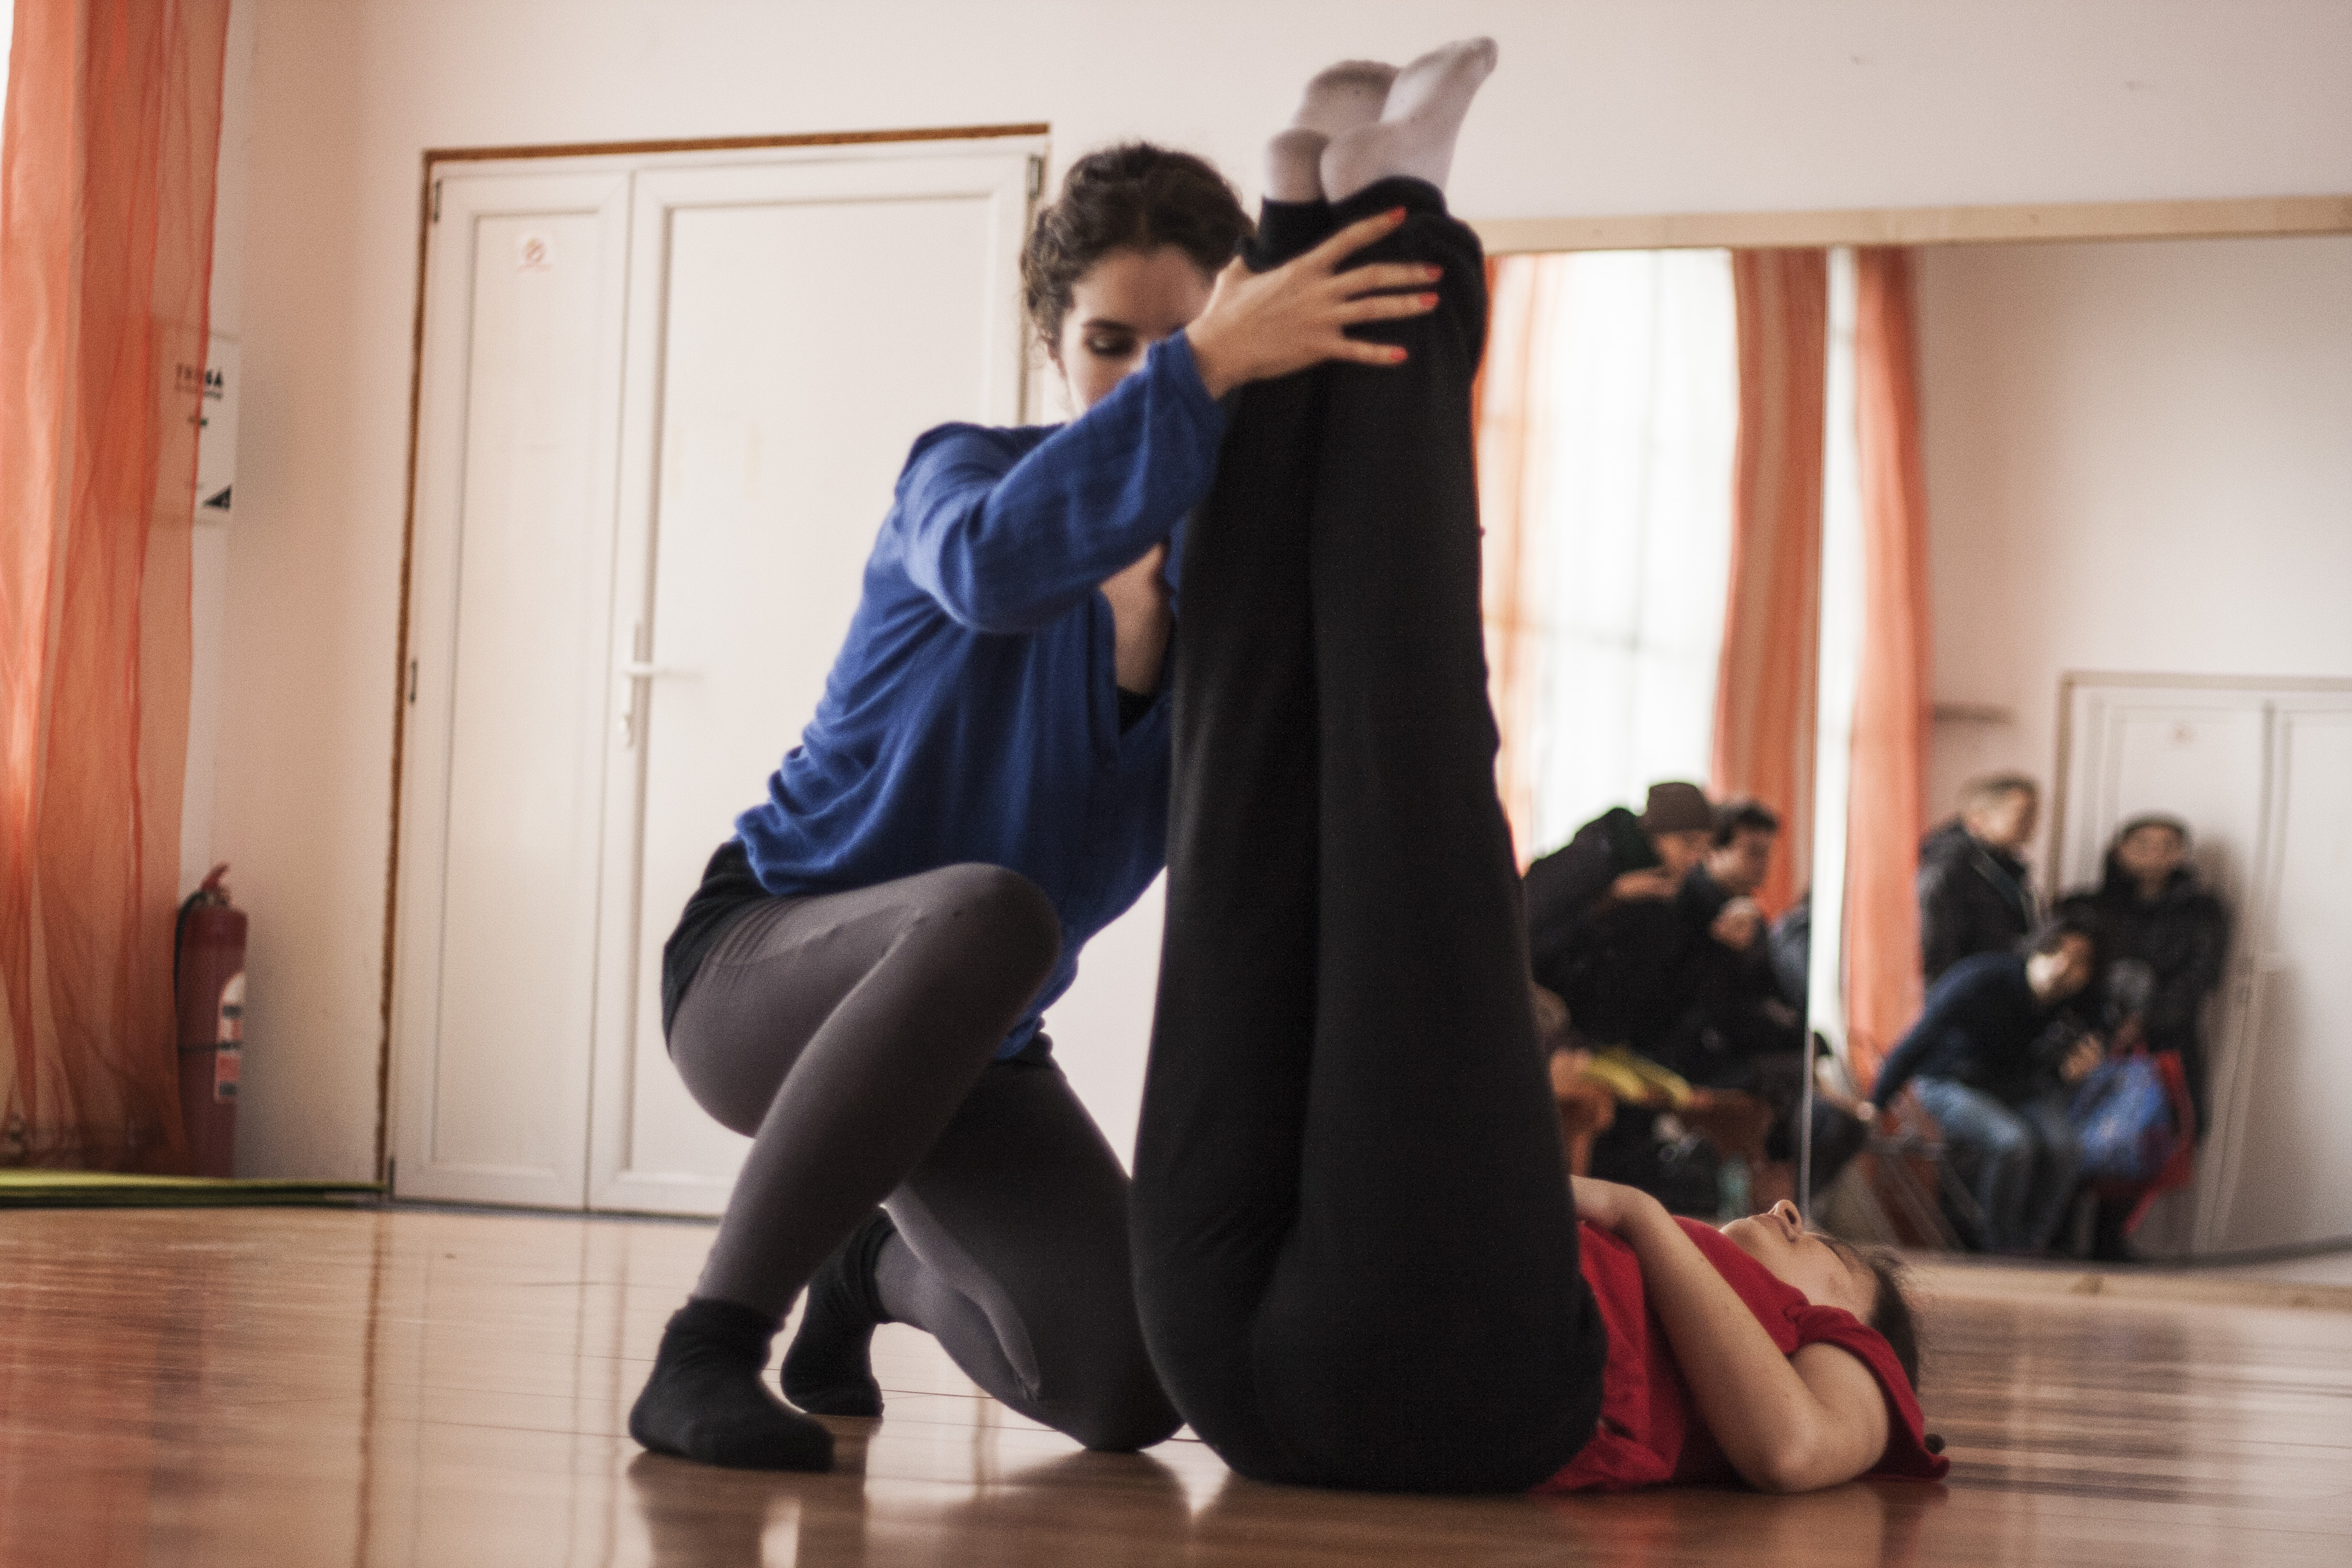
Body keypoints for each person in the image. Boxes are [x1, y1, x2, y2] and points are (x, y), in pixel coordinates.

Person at [1132, 41, 1945, 1496]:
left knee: (1242, 775)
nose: (1790, 1219)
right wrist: (1634, 1218)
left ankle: (1335, 231)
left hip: (1351, 1377)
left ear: (1852, 1325)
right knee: (1375, 775)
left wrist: (1637, 1218)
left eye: (1829, 1254)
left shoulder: (1850, 1369)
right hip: (1382, 1364)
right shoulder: (1685, 1262)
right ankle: (1342, 225)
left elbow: (1791, 1447)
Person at [626, 122, 1451, 1471]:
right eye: (1111, 343)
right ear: (1052, 345)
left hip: (979, 1038)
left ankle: (868, 1270)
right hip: (759, 973)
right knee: (996, 912)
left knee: (1133, 1383)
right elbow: (998, 571)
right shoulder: (960, 478)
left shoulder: (1233, 616)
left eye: (1183, 336)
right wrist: (1209, 362)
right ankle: (707, 1349)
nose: (1146, 372)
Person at [1860, 918, 2106, 1255]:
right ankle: (2000, 1248)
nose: (2064, 967)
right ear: (2038, 948)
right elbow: (1920, 1038)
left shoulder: (2075, 1009)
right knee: (2013, 1142)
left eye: (2080, 962)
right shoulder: (1984, 978)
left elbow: (2051, 1070)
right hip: (1947, 1081)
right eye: (2056, 951)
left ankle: (2033, 1246)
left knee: (2067, 1146)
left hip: (2017, 1089)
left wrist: (2070, 1072)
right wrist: (1876, 1102)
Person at [2056, 815, 2230, 1135]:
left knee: (2159, 1134)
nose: (2155, 855)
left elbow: (2200, 976)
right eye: (2143, 845)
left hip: (2165, 1041)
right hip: (2086, 1035)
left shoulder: (2201, 912)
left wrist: (2144, 1019)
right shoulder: (2084, 906)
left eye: (2168, 846)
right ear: (2120, 850)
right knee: (2076, 1130)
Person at [1523, 779, 1717, 1046]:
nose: (1695, 858)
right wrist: (1611, 899)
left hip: (1612, 1038)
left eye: (1704, 848)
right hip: (1547, 1028)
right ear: (1656, 833)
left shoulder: (1675, 884)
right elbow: (1528, 939)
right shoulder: (1590, 860)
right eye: (1687, 842)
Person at [1918, 775, 2040, 984]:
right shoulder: (1949, 867)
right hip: (1966, 987)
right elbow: (1936, 952)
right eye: (2023, 812)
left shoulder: (2004, 864)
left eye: (2034, 812)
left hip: (1994, 979)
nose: (2031, 822)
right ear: (1979, 817)